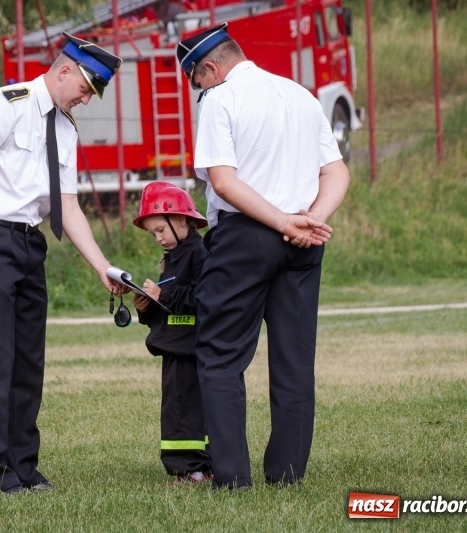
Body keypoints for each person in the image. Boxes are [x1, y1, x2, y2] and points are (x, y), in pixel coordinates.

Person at [0, 32, 125, 494]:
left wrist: (101, 266)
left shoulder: (64, 128)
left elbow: (68, 205)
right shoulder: (7, 104)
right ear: (64, 70)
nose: (85, 100)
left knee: (28, 364)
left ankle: (23, 466)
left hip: (29, 244)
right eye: (84, 88)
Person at [175, 23, 351, 490]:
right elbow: (336, 171)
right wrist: (309, 219)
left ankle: (232, 478)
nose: (200, 91)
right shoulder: (300, 95)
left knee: (219, 356)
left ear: (209, 68)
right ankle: (287, 475)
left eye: (197, 82)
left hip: (246, 237)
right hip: (303, 235)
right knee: (295, 359)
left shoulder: (221, 100)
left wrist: (280, 222)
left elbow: (225, 182)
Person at [131, 182, 212, 486]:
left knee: (184, 410)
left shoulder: (198, 254)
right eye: (152, 233)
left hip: (189, 347)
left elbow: (204, 298)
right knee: (176, 409)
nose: (157, 238)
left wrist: (163, 294)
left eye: (160, 230)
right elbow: (169, 307)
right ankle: (191, 467)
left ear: (181, 220)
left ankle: (192, 469)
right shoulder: (175, 254)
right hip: (174, 346)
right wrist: (146, 306)